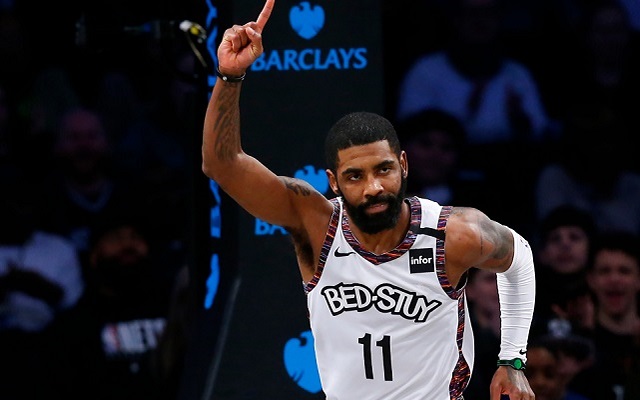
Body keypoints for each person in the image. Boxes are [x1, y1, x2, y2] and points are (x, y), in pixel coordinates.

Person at [202, 1, 536, 399]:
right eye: (355, 176)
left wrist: (513, 360)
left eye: (383, 169)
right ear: (333, 182)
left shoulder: (451, 234)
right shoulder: (316, 224)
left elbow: (519, 255)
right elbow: (221, 165)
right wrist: (230, 75)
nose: (373, 187)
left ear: (403, 165)